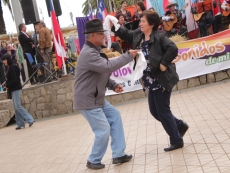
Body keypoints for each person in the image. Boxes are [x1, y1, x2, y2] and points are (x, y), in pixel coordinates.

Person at [112, 11, 189, 151]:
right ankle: (178, 125)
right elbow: (126, 34)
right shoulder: (139, 36)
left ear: (151, 24)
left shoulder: (159, 36)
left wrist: (164, 63)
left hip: (161, 80)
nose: (140, 23)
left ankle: (176, 140)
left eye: (143, 21)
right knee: (155, 111)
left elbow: (173, 48)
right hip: (149, 82)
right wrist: (114, 26)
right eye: (140, 21)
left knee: (163, 111)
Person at [73, 19, 139, 170]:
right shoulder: (89, 53)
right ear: (92, 36)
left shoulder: (95, 50)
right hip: (87, 100)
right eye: (101, 33)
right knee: (103, 130)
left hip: (96, 98)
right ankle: (93, 160)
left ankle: (118, 154)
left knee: (115, 116)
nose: (104, 35)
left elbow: (101, 73)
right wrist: (128, 56)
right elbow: (107, 66)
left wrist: (113, 84)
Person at [2, 54, 34, 130]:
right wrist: (6, 84)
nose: (4, 62)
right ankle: (20, 123)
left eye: (5, 60)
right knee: (15, 107)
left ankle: (30, 119)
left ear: (8, 59)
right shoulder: (11, 67)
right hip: (13, 89)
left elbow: (15, 80)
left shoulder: (12, 68)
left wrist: (7, 85)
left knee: (17, 105)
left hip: (16, 88)